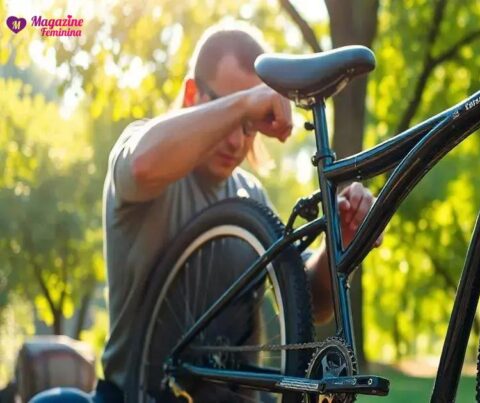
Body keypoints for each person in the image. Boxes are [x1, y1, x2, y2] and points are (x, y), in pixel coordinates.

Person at [31, 23, 380, 403]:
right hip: (133, 394)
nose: (237, 140)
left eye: (249, 125)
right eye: (227, 107)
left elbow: (308, 304)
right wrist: (248, 102)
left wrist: (340, 245)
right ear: (191, 94)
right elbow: (144, 165)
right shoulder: (144, 146)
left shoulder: (253, 197)